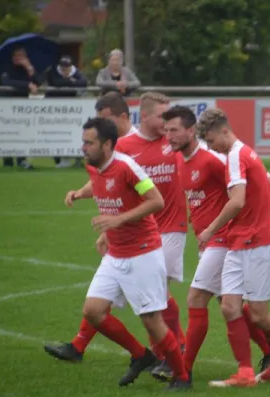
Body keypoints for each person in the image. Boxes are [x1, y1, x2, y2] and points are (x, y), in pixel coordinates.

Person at [44, 93, 189, 375]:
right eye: (162, 116)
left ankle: (172, 355)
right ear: (143, 116)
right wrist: (84, 197)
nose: (168, 122)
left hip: (168, 228)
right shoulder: (123, 147)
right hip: (128, 231)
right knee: (111, 301)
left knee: (156, 300)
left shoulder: (175, 143)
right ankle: (153, 354)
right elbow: (103, 180)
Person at [161, 105, 270, 381]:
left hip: (225, 239)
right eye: (166, 131)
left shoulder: (215, 159)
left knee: (197, 298)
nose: (169, 137)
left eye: (174, 130)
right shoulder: (179, 159)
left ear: (191, 131)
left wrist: (213, 230)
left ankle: (182, 368)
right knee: (230, 304)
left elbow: (256, 187)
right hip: (212, 241)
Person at [197, 108, 270, 388]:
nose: (209, 146)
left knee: (258, 315)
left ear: (222, 131)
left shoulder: (235, 156)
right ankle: (244, 372)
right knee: (230, 307)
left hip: (260, 245)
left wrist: (210, 229)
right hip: (239, 243)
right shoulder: (245, 153)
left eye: (210, 140)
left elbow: (237, 201)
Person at [0, 47, 39, 169]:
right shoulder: (6, 67)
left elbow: (37, 82)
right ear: (13, 57)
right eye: (17, 55)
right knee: (8, 133)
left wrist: (29, 68)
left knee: (22, 133)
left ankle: (21, 160)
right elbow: (6, 82)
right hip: (7, 105)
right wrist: (27, 85)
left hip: (22, 106)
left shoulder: (26, 68)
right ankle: (7, 161)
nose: (20, 58)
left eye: (22, 56)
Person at [47, 55, 88, 168]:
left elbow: (83, 82)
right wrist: (71, 81)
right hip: (54, 108)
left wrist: (66, 81)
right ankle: (58, 158)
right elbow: (56, 82)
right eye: (63, 67)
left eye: (67, 67)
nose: (65, 70)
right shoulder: (53, 71)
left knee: (71, 132)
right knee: (55, 133)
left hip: (70, 110)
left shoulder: (76, 72)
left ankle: (72, 159)